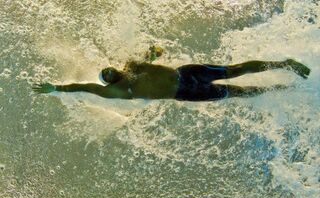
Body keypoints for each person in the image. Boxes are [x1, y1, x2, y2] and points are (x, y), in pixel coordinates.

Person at [32, 46, 311, 101]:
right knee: (236, 93)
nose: (109, 71)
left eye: (108, 68)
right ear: (109, 79)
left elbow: (148, 55)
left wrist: (154, 53)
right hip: (184, 92)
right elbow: (83, 87)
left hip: (187, 73)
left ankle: (284, 63)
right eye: (106, 74)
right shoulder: (114, 91)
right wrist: (56, 88)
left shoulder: (132, 66)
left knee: (235, 70)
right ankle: (278, 91)